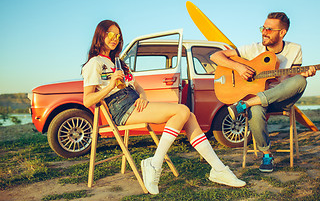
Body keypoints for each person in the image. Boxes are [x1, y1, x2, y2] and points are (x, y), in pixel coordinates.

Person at [81, 20, 246, 195]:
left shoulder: (118, 62)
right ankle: (155, 163)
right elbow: (87, 100)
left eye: (117, 35)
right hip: (120, 108)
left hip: (134, 102)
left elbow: (138, 87)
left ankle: (218, 169)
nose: (114, 38)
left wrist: (143, 96)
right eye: (110, 34)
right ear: (101, 35)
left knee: (189, 116)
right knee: (182, 111)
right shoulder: (95, 63)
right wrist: (110, 85)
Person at [210, 12, 316, 173]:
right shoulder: (253, 49)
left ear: (282, 33)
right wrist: (238, 67)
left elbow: (293, 77)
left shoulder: (295, 49)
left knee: (301, 81)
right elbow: (215, 56)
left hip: (281, 99)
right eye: (263, 27)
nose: (263, 32)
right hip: (258, 101)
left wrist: (303, 73)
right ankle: (266, 154)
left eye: (269, 29)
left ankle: (245, 104)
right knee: (255, 109)